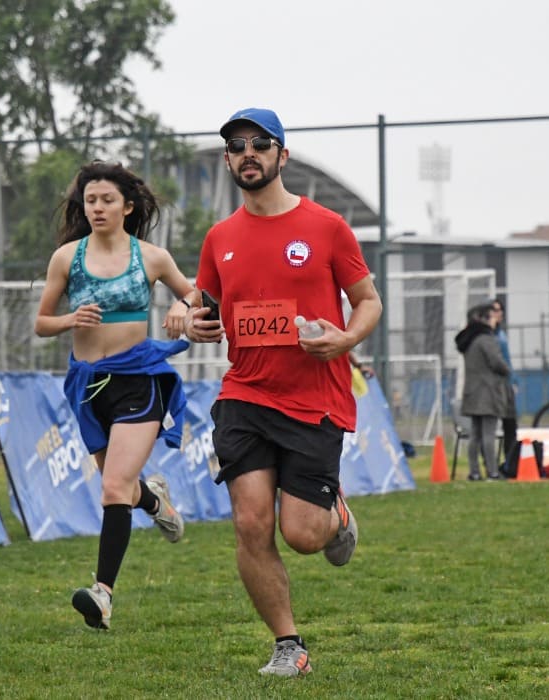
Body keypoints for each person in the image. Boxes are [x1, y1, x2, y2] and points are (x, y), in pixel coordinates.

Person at [182, 108, 383, 677]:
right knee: (249, 523)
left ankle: (336, 515)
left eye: (260, 144)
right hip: (244, 395)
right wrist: (193, 318)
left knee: (300, 533)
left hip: (314, 399)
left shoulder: (326, 227)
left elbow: (369, 301)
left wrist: (344, 338)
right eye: (237, 146)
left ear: (281, 156)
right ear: (227, 160)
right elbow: (206, 305)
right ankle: (288, 647)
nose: (248, 153)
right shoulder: (219, 237)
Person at [34, 160, 195, 631]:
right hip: (87, 386)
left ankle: (102, 594)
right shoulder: (67, 258)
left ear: (127, 206)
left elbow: (196, 294)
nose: (97, 207)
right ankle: (154, 500)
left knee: (110, 488)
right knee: (121, 488)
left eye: (107, 200)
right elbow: (43, 322)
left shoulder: (153, 256)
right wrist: (69, 320)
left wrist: (183, 308)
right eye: (90, 200)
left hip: (138, 380)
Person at [455, 303, 510, 481]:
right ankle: (492, 472)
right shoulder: (486, 339)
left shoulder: (469, 340)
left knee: (475, 435)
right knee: (488, 434)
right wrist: (507, 369)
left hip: (472, 391)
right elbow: (497, 363)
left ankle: (474, 471)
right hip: (488, 392)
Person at [490, 298, 518, 460]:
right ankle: (490, 465)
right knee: (489, 427)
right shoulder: (487, 336)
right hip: (493, 386)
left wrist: (513, 380)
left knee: (510, 425)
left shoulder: (501, 334)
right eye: (494, 310)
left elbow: (507, 360)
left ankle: (510, 462)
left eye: (500, 310)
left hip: (506, 384)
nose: (498, 314)